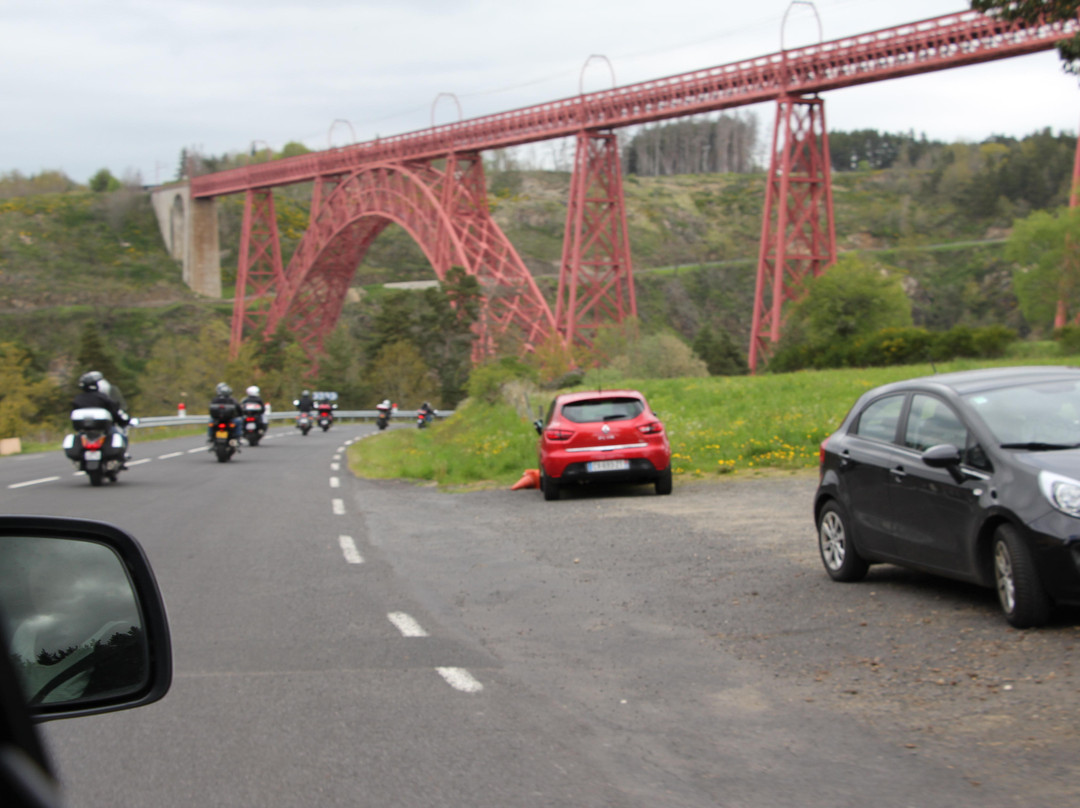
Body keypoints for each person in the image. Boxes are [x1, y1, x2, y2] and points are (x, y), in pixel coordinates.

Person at [72, 371, 131, 458]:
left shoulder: (77, 399)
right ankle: (122, 454)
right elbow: (113, 410)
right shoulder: (103, 397)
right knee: (119, 435)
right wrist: (122, 421)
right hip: (103, 429)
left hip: (84, 430)